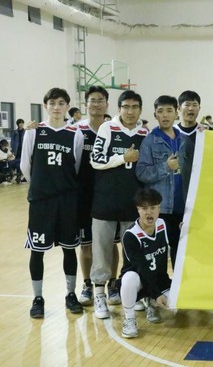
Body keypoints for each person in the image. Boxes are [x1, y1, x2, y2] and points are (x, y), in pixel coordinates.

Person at [21, 87, 84, 318]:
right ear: (45, 106)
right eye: (52, 103)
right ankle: (38, 298)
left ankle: (70, 294)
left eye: (61, 103)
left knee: (69, 248)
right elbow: (25, 166)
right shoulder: (34, 132)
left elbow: (76, 166)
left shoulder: (75, 134)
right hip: (41, 201)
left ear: (67, 106)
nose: (56, 107)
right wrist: (41, 186)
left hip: (66, 201)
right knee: (37, 251)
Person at [90, 90, 148, 320]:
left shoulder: (145, 133)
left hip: (132, 203)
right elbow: (96, 160)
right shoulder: (108, 128)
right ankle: (99, 294)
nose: (130, 111)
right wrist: (123, 158)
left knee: (132, 251)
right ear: (119, 108)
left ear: (140, 110)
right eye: (126, 107)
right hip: (105, 200)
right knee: (101, 250)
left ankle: (132, 293)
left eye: (134, 107)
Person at [76, 86, 122, 307]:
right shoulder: (77, 130)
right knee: (86, 245)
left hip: (108, 196)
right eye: (92, 100)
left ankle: (113, 283)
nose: (96, 104)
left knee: (109, 243)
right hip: (84, 197)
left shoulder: (113, 129)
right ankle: (87, 284)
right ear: (86, 104)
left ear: (107, 104)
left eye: (100, 100)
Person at [137, 95, 185, 269]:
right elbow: (142, 173)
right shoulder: (149, 141)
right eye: (160, 111)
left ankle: (177, 283)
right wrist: (166, 167)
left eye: (169, 111)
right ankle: (159, 284)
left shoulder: (184, 140)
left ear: (176, 113)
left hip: (182, 207)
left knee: (180, 251)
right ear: (155, 115)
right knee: (158, 253)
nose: (165, 115)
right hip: (160, 208)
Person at [119, 188, 171, 338]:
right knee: (129, 279)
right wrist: (156, 294)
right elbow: (141, 268)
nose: (149, 212)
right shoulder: (131, 235)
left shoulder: (163, 225)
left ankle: (151, 303)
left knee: (177, 304)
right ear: (138, 209)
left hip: (159, 279)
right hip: (140, 282)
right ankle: (129, 319)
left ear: (159, 208)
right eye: (144, 208)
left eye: (153, 208)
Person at [10, 118, 25, 182]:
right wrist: (12, 149)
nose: (21, 124)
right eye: (20, 123)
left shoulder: (25, 131)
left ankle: (19, 175)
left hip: (23, 149)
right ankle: (17, 175)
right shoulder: (15, 132)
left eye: (22, 123)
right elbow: (12, 141)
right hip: (16, 149)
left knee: (21, 163)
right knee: (16, 162)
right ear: (18, 124)